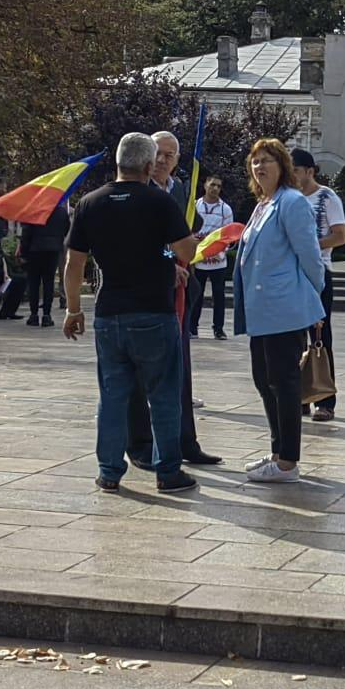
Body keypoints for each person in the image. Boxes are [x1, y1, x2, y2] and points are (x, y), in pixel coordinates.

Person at [62, 133, 199, 493]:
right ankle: (168, 471)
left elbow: (74, 263)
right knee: (164, 395)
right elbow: (184, 251)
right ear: (150, 165)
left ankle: (109, 470)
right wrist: (171, 254)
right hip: (154, 310)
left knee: (113, 396)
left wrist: (73, 309)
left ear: (118, 163)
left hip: (110, 313)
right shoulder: (159, 201)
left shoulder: (90, 203)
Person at [234, 138, 326, 483]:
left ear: (282, 165)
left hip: (283, 307)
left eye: (267, 161)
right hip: (262, 310)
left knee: (284, 381)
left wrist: (309, 299)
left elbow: (310, 256)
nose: (260, 167)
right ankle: (277, 450)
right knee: (264, 379)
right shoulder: (264, 203)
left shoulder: (291, 202)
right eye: (255, 162)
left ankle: (288, 461)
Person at [130, 129, 221, 469]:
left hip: (180, 290)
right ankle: (141, 444)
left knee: (180, 365)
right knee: (142, 370)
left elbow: (180, 233)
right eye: (158, 153)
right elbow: (136, 240)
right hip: (146, 292)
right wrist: (166, 264)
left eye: (170, 155)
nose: (163, 160)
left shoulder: (180, 189)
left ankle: (186, 441)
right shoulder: (136, 188)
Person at [292, 150, 345, 421]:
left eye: (296, 171)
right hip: (292, 275)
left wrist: (310, 247)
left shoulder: (327, 197)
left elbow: (340, 236)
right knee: (294, 336)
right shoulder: (288, 198)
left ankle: (325, 400)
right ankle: (300, 396)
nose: (292, 176)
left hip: (319, 274)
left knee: (320, 337)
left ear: (309, 171)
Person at [188, 174, 234, 340]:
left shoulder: (225, 209)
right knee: (196, 294)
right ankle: (192, 327)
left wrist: (217, 251)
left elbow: (229, 235)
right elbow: (188, 230)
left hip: (218, 261)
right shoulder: (194, 206)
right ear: (205, 185)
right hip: (198, 259)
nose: (215, 188)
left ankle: (219, 329)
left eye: (218, 186)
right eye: (212, 184)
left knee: (219, 295)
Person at [19, 201, 68, 326]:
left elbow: (26, 234)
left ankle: (34, 315)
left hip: (34, 250)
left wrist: (23, 253)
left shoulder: (34, 210)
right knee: (48, 283)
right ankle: (47, 315)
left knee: (34, 283)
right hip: (53, 250)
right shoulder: (61, 212)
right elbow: (66, 229)